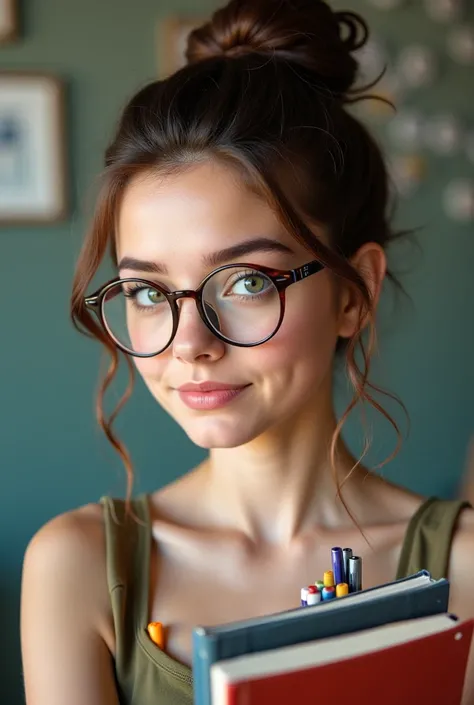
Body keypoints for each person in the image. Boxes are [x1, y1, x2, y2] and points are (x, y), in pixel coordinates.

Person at [20, 1, 474, 704]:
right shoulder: (76, 566)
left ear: (356, 292)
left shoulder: (466, 570)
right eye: (146, 291)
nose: (192, 343)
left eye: (247, 282)